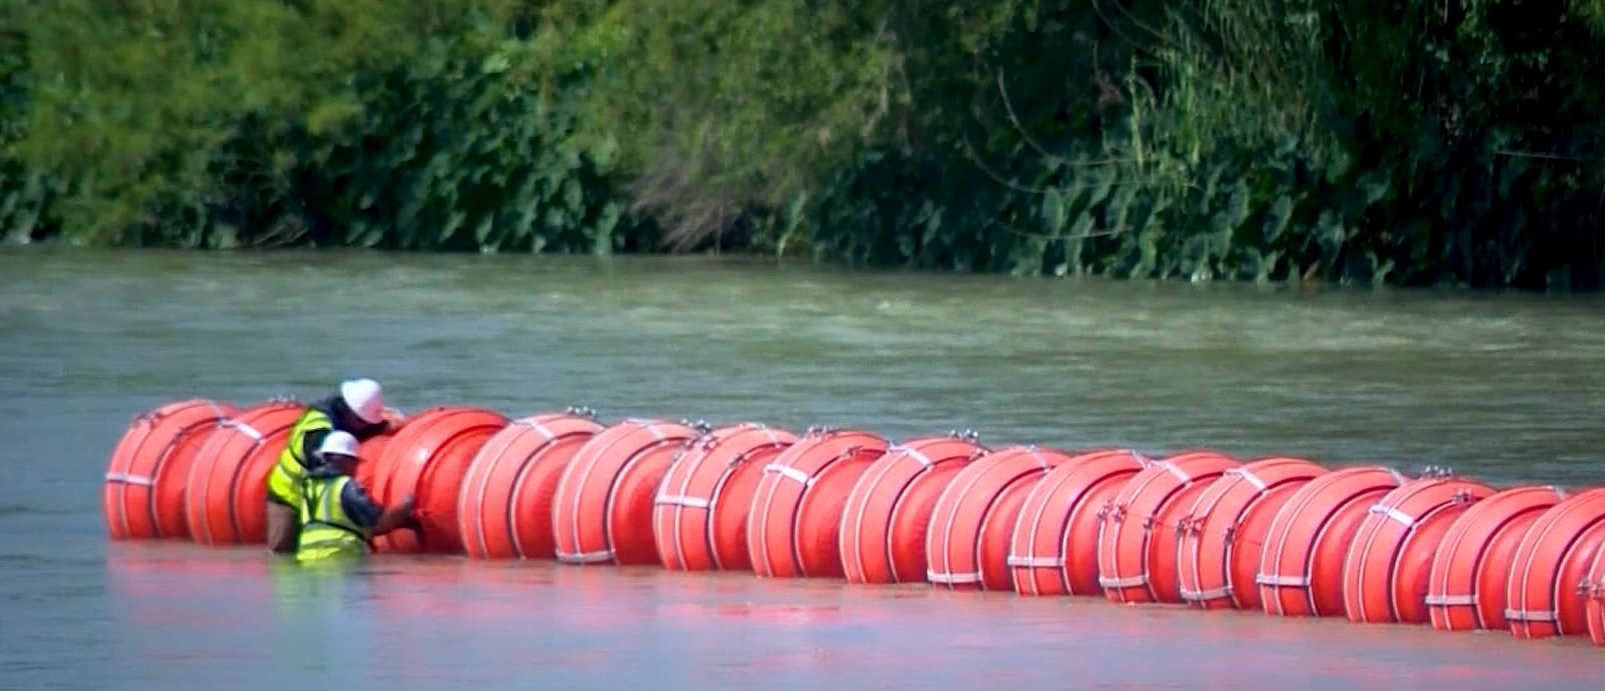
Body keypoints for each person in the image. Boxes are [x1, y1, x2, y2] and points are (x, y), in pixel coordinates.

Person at [265, 378, 394, 554]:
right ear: (349, 412)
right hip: (288, 493)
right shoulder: (318, 428)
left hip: (311, 494)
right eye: (362, 422)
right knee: (283, 553)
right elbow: (324, 466)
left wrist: (384, 426)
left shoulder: (342, 420)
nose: (363, 427)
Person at [294, 431, 416, 562]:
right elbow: (377, 521)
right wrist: (405, 507)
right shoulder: (346, 486)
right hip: (340, 554)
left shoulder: (306, 486)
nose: (355, 468)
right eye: (355, 463)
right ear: (345, 460)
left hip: (307, 556)